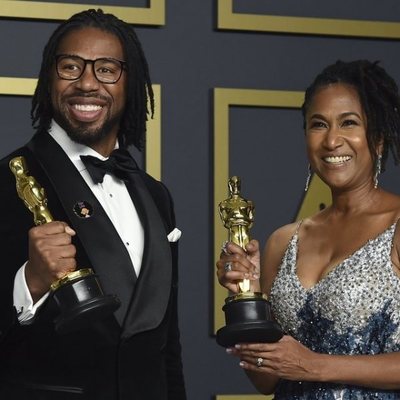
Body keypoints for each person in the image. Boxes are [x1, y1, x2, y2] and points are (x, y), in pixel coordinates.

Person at [0, 9, 186, 400]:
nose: (87, 83)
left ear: (129, 82)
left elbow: (166, 346)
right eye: (71, 67)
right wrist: (30, 282)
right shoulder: (4, 181)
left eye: (106, 69)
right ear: (49, 77)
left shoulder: (156, 195)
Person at [217, 60, 400, 398]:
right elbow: (266, 380)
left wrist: (314, 365)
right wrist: (244, 292)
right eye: (319, 124)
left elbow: (303, 365)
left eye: (349, 123)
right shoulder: (282, 242)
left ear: (378, 139)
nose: (332, 140)